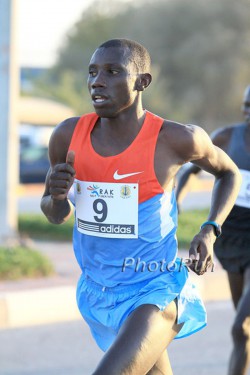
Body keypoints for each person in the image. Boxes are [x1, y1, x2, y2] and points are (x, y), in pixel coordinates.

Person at [40, 38, 241, 375]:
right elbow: (56, 214)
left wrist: (210, 228)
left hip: (155, 289)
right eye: (92, 73)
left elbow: (229, 173)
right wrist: (57, 197)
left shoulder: (175, 139)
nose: (96, 81)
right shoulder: (67, 136)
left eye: (112, 71)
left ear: (142, 81)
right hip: (98, 290)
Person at [176, 85, 250, 375]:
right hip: (231, 239)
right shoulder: (227, 137)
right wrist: (177, 198)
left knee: (241, 326)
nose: (248, 112)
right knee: (245, 330)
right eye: (246, 105)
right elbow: (190, 168)